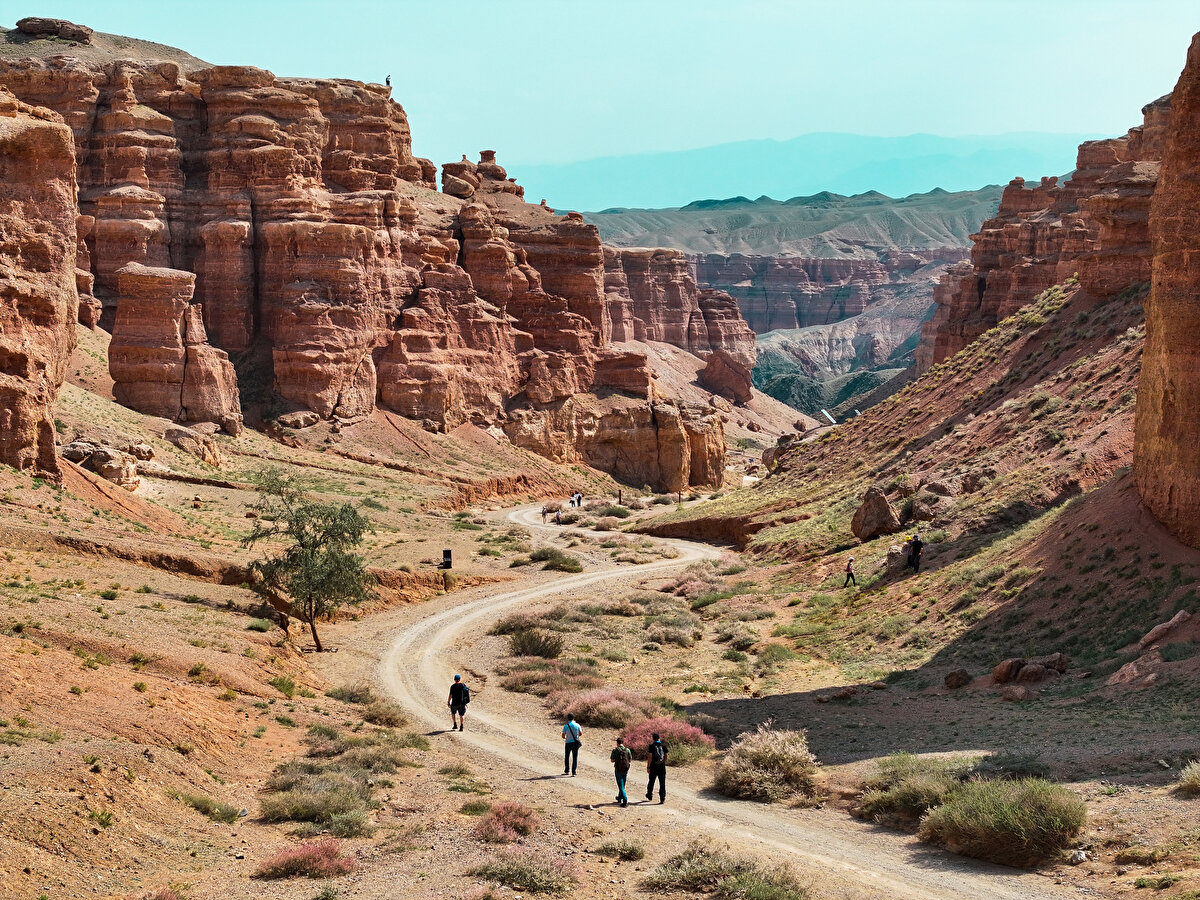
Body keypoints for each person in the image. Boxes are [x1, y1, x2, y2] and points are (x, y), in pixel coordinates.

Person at [645, 732, 668, 803]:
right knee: (662, 783)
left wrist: (648, 767)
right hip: (662, 767)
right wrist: (663, 762)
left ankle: (649, 795)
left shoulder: (651, 746)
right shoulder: (663, 745)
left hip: (653, 766)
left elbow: (650, 757)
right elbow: (666, 755)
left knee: (651, 781)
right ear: (659, 738)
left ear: (653, 738)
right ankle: (662, 798)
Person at [611, 736, 633, 806]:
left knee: (620, 785)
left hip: (618, 769)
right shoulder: (627, 750)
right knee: (623, 784)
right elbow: (630, 760)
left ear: (617, 743)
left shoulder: (615, 750)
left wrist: (616, 760)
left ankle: (625, 800)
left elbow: (612, 760)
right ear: (623, 742)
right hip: (625, 769)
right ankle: (619, 798)